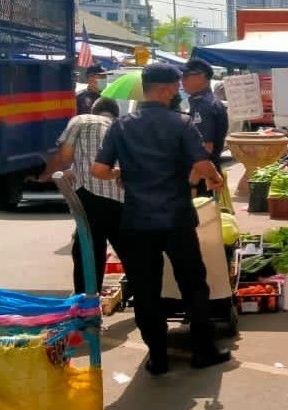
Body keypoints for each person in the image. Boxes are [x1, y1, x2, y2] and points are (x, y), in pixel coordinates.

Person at [92, 62, 231, 376]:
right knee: (193, 284)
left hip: (137, 221)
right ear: (167, 89)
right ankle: (203, 351)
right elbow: (202, 164)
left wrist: (123, 173)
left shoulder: (121, 126)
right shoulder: (181, 123)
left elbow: (99, 170)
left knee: (145, 289)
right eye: (175, 86)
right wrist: (215, 178)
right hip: (176, 218)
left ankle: (158, 356)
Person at [38, 97, 126, 295]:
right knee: (128, 252)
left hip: (91, 194)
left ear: (94, 110)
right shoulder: (123, 126)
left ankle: (86, 301)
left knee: (87, 250)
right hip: (122, 198)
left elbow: (65, 156)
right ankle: (146, 300)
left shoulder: (82, 120)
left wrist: (44, 175)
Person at [181, 58, 229, 196]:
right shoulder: (206, 102)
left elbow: (205, 149)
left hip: (202, 178)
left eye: (186, 76)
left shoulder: (204, 106)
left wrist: (192, 183)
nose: (182, 80)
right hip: (207, 174)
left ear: (201, 77)